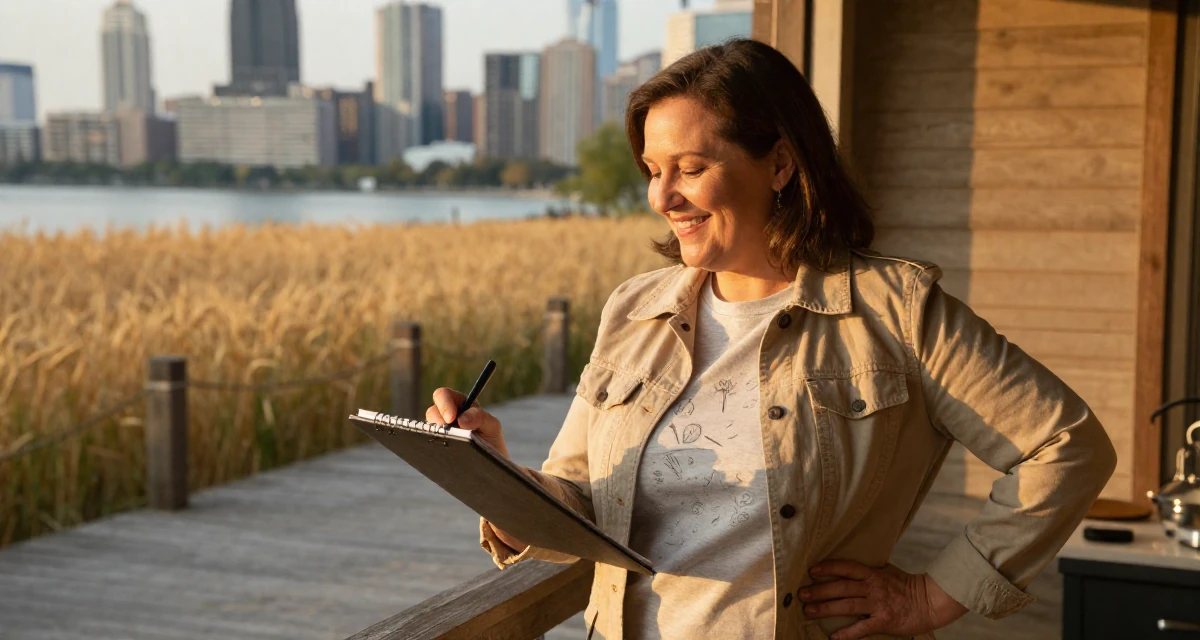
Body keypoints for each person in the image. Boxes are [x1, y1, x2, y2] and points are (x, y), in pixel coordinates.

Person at [425, 39, 1116, 640]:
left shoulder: (896, 312)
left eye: (690, 168)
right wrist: (494, 475)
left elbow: (1066, 445)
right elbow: (580, 504)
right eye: (653, 170)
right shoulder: (633, 310)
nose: (662, 198)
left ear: (780, 165)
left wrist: (932, 595)